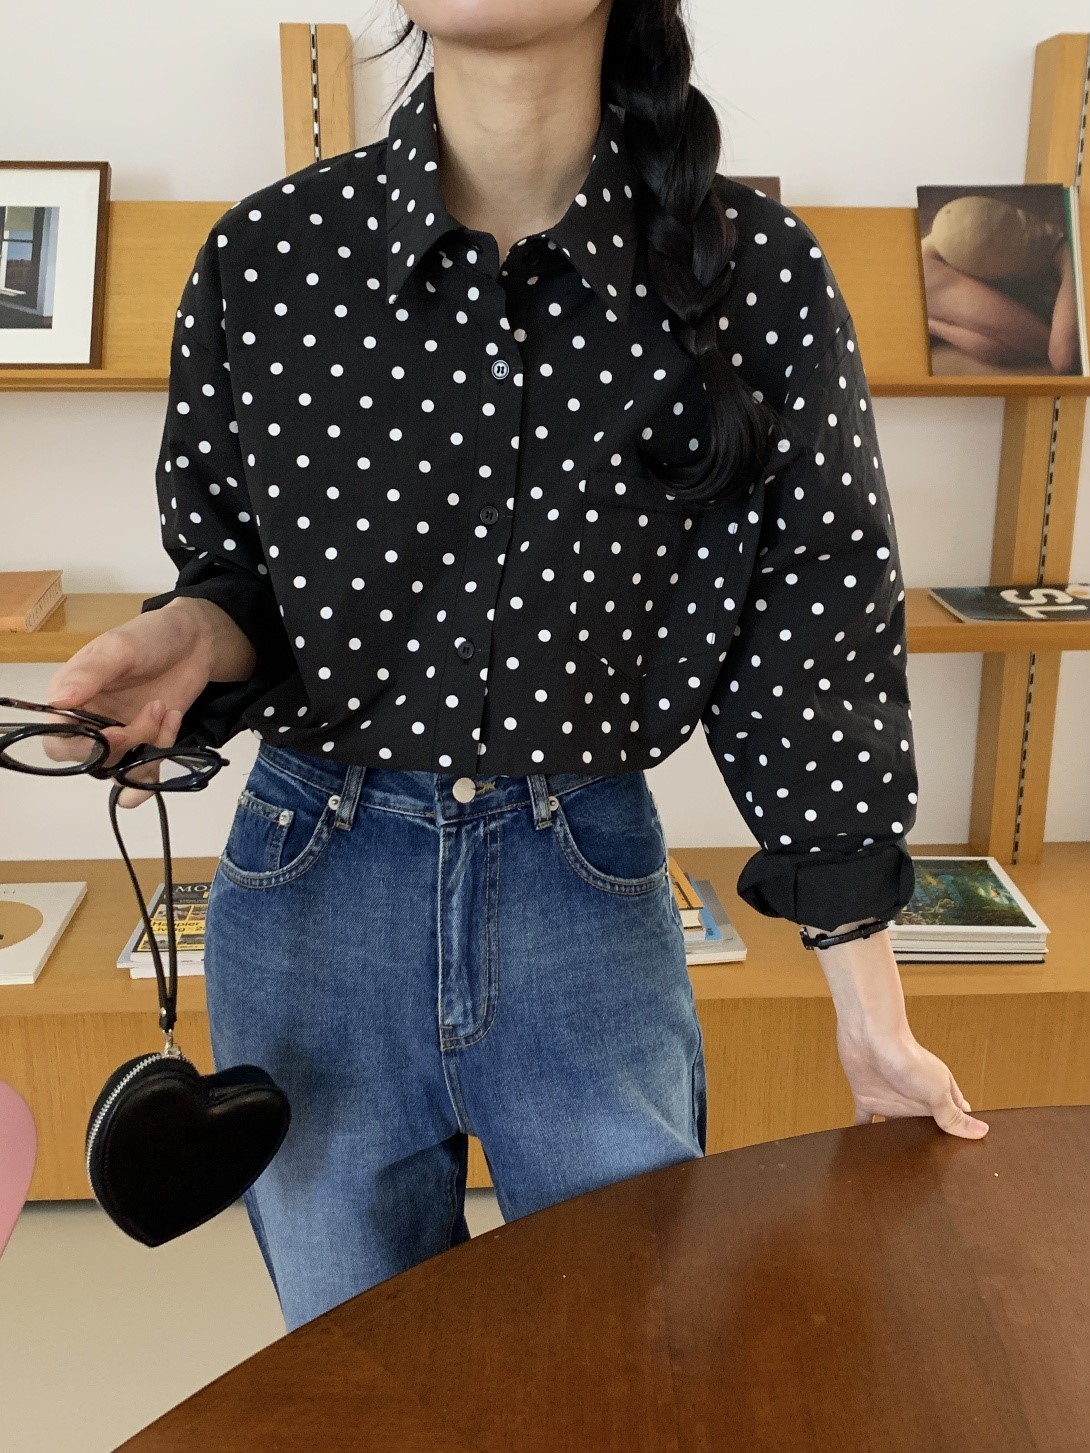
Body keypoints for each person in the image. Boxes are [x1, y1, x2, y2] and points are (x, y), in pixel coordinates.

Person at [46, 0, 988, 1334]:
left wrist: (869, 1008)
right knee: (362, 1376)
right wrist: (197, 633)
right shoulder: (271, 255)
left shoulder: (753, 272)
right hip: (311, 893)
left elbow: (810, 634)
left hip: (581, 890)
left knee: (624, 1359)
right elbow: (244, 572)